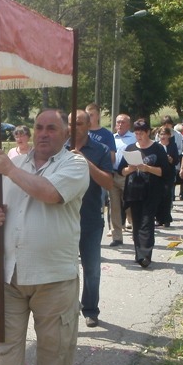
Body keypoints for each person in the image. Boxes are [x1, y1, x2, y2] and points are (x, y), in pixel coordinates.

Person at [0, 109, 89, 365]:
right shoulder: (16, 164)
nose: (42, 133)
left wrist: (10, 170)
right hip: (9, 272)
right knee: (4, 343)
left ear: (65, 133)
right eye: (39, 127)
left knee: (55, 344)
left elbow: (50, 194)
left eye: (51, 128)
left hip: (53, 274)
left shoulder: (74, 165)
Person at [66, 110, 113, 328]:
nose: (73, 128)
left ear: (89, 124)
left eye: (78, 123)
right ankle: (66, 308)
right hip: (63, 219)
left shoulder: (100, 149)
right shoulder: (60, 148)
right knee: (64, 267)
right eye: (70, 123)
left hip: (90, 218)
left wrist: (84, 160)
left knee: (91, 267)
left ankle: (90, 309)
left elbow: (108, 182)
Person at [118, 118, 169, 268]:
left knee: (147, 222)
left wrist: (147, 168)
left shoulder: (157, 149)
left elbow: (164, 172)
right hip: (134, 190)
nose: (138, 136)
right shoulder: (130, 148)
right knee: (137, 223)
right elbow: (121, 170)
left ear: (148, 132)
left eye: (141, 133)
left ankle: (145, 255)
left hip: (152, 190)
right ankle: (138, 253)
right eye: (136, 133)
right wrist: (131, 169)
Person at [108, 113, 136, 246]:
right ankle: (117, 237)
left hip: (128, 175)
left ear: (128, 124)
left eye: (122, 122)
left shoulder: (134, 138)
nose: (119, 124)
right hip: (112, 175)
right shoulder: (111, 138)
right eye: (118, 122)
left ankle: (137, 232)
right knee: (114, 207)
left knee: (130, 205)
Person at [154, 125, 179, 228]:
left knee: (167, 196)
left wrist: (170, 159)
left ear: (169, 135)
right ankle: (158, 219)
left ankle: (167, 219)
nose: (163, 136)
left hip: (168, 174)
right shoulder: (156, 146)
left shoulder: (173, 146)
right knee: (157, 196)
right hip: (157, 174)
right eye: (161, 134)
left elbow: (177, 160)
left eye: (165, 134)